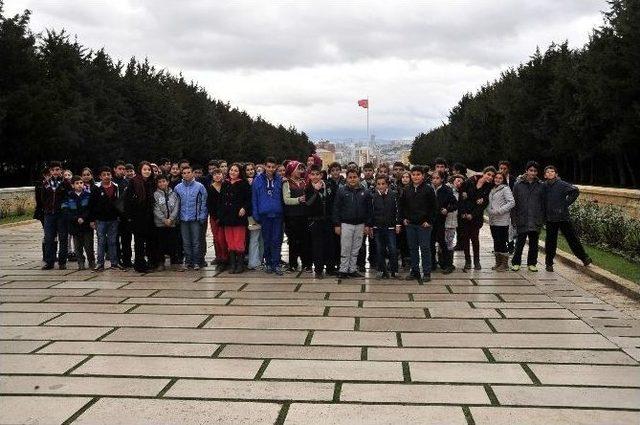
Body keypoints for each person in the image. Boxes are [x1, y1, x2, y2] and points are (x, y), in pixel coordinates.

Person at [543, 165, 592, 272]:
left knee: (572, 239)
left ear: (556, 174)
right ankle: (549, 263)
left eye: (552, 171)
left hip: (563, 217)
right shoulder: (544, 186)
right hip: (550, 218)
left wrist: (565, 203)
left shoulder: (561, 184)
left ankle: (584, 258)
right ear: (545, 175)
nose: (550, 173)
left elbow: (575, 191)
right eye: (548, 172)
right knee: (550, 242)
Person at [400, 165, 437, 282]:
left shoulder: (428, 189)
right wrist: (404, 218)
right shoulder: (407, 189)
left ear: (423, 176)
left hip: (424, 225)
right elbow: (402, 206)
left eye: (418, 174)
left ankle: (426, 272)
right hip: (410, 224)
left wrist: (429, 221)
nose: (415, 177)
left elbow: (434, 207)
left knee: (425, 248)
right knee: (413, 248)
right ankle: (414, 271)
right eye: (413, 174)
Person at [333, 169, 372, 279]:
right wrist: (337, 224)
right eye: (350, 177)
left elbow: (369, 210)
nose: (352, 179)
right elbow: (336, 209)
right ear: (346, 178)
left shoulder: (365, 192)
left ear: (359, 177)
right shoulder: (341, 191)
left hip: (360, 224)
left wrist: (367, 225)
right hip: (346, 224)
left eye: (354, 177)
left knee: (356, 248)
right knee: (346, 248)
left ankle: (352, 269)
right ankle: (343, 270)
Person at [511, 161, 545, 272]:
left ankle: (532, 263)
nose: (533, 173)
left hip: (535, 219)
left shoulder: (541, 186)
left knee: (534, 244)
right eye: (531, 170)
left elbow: (543, 203)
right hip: (522, 218)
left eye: (535, 171)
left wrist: (541, 218)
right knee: (519, 243)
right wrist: (514, 219)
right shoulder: (518, 185)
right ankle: (516, 263)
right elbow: (513, 203)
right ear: (526, 171)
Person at [253, 157, 285, 275]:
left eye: (273, 167)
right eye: (268, 166)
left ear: (276, 167)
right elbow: (254, 198)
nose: (270, 169)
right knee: (266, 240)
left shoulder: (280, 180)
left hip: (277, 214)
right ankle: (268, 263)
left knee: (277, 240)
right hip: (264, 214)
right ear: (265, 166)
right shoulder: (258, 180)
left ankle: (276, 264)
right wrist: (256, 214)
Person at [459, 166, 495, 270]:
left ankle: (476, 261)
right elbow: (462, 198)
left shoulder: (488, 187)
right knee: (465, 239)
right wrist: (465, 213)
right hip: (464, 216)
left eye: (492, 176)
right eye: (488, 174)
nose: (490, 177)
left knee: (475, 239)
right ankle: (467, 261)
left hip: (476, 217)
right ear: (484, 173)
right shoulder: (469, 182)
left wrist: (473, 214)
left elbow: (483, 204)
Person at [124, 161, 158, 273]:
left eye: (149, 169)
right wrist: (129, 217)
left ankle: (151, 262)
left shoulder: (153, 182)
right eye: (145, 169)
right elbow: (127, 200)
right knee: (139, 242)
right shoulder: (134, 182)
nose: (147, 171)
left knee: (151, 241)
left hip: (151, 216)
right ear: (140, 170)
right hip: (138, 217)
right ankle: (139, 264)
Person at [218, 163, 251, 274]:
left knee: (239, 240)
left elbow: (248, 200)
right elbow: (221, 200)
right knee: (230, 240)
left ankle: (240, 264)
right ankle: (232, 264)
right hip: (227, 217)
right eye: (231, 170)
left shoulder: (244, 184)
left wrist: (244, 208)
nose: (233, 172)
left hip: (238, 217)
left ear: (239, 172)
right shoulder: (225, 183)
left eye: (236, 170)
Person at [174, 165, 208, 270]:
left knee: (196, 241)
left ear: (192, 173)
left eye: (188, 172)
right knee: (186, 241)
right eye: (184, 173)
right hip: (183, 218)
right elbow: (175, 204)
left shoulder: (200, 186)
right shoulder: (177, 188)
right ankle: (188, 260)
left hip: (196, 218)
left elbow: (204, 202)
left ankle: (196, 261)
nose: (186, 175)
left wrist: (202, 215)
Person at [90, 166, 124, 271]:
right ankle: (100, 263)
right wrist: (92, 220)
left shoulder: (116, 186)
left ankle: (114, 263)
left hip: (113, 219)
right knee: (101, 241)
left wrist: (119, 216)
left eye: (108, 174)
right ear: (100, 176)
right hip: (100, 220)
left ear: (111, 175)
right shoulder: (96, 187)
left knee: (113, 241)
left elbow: (119, 203)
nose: (106, 177)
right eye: (104, 175)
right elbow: (92, 204)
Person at [305, 164, 335, 279]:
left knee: (329, 244)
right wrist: (315, 191)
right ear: (310, 176)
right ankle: (318, 270)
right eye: (313, 174)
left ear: (321, 175)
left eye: (317, 174)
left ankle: (330, 268)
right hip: (315, 221)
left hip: (327, 220)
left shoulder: (327, 185)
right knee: (317, 246)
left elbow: (332, 201)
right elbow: (308, 203)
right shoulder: (308, 188)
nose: (315, 176)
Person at [41, 161, 70, 270]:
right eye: (53, 170)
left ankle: (62, 262)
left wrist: (65, 208)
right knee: (49, 238)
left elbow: (69, 197)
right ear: (50, 171)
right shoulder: (46, 183)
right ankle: (50, 262)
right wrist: (46, 208)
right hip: (49, 215)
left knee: (63, 238)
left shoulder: (66, 183)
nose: (55, 172)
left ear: (61, 170)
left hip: (62, 215)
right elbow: (43, 198)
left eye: (57, 169)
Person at [283, 160, 311, 272]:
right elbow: (286, 200)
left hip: (304, 215)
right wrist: (299, 200)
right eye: (298, 169)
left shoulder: (304, 182)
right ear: (292, 170)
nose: (300, 171)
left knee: (305, 240)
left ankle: (306, 264)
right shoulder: (287, 183)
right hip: (292, 216)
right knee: (293, 241)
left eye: (301, 169)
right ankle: (293, 264)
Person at [370, 175, 400, 279]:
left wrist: (397, 224)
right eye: (378, 184)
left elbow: (397, 211)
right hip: (377, 227)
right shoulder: (373, 196)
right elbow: (371, 213)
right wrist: (370, 226)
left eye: (383, 184)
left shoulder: (393, 195)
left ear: (387, 184)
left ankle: (394, 269)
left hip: (390, 227)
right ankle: (381, 269)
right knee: (379, 249)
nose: (381, 186)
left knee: (392, 248)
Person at [63, 175, 94, 270]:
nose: (79, 185)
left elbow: (90, 209)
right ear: (72, 185)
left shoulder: (88, 195)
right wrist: (76, 218)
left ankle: (91, 261)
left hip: (86, 224)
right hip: (74, 225)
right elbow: (65, 210)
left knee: (89, 245)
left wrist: (83, 218)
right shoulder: (68, 196)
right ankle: (80, 262)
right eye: (77, 183)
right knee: (78, 246)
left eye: (81, 183)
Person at [430, 170, 458, 274]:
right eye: (433, 178)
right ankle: (432, 263)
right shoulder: (429, 189)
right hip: (430, 220)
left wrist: (447, 209)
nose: (435, 180)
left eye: (437, 178)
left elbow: (454, 204)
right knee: (430, 243)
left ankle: (448, 264)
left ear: (442, 179)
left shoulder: (446, 190)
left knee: (442, 242)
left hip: (441, 221)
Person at [487, 171, 515, 271]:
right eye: (496, 177)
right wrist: (489, 210)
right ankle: (498, 263)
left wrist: (500, 211)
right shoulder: (492, 189)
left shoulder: (505, 189)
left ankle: (505, 264)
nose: (497, 179)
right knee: (496, 241)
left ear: (503, 180)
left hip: (502, 220)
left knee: (502, 241)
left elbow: (512, 202)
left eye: (500, 178)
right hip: (493, 220)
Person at [153, 174, 181, 270]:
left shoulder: (174, 194)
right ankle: (161, 262)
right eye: (159, 182)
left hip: (172, 223)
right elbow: (156, 208)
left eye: (164, 181)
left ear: (168, 182)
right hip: (160, 224)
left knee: (173, 243)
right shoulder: (155, 194)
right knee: (160, 243)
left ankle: (174, 262)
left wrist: (171, 218)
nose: (162, 183)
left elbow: (177, 207)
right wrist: (164, 219)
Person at [207, 168, 229, 269]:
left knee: (224, 239)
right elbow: (210, 205)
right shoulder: (210, 188)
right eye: (215, 174)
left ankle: (226, 258)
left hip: (226, 217)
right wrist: (216, 217)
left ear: (223, 175)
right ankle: (219, 257)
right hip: (214, 218)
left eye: (219, 174)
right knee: (217, 239)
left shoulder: (227, 186)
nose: (217, 176)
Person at [113, 161, 132, 268]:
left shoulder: (127, 183)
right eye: (119, 168)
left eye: (123, 169)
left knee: (127, 239)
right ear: (115, 169)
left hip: (125, 216)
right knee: (114, 239)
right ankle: (116, 260)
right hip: (114, 216)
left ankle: (127, 260)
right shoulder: (111, 183)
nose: (122, 171)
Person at [445, 174, 464, 269]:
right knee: (442, 242)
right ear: (453, 180)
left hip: (453, 221)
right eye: (458, 180)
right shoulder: (447, 190)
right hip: (444, 219)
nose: (459, 183)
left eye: (461, 182)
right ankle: (443, 262)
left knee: (449, 242)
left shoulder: (460, 192)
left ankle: (449, 263)